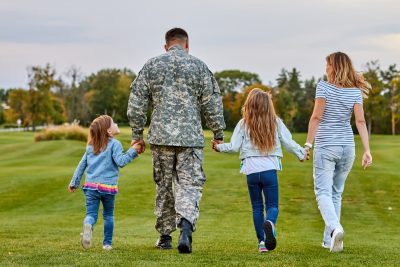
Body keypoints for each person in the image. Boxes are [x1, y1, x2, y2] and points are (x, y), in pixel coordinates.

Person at [127, 28, 225, 253]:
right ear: (187, 45)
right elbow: (212, 103)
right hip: (190, 138)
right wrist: (218, 133)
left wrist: (136, 135)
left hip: (161, 137)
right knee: (189, 183)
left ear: (166, 46)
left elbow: (137, 100)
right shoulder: (199, 67)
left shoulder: (152, 65)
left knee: (164, 185)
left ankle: (164, 236)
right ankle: (186, 227)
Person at [212, 88, 308, 253]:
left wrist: (219, 147)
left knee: (257, 207)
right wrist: (302, 153)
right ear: (268, 105)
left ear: (249, 104)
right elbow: (288, 142)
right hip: (270, 169)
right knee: (272, 206)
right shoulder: (275, 122)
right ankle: (269, 223)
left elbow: (234, 147)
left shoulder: (243, 123)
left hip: (251, 170)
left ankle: (262, 243)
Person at [304, 52, 372, 253]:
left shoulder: (323, 87)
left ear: (334, 66)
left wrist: (308, 144)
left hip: (326, 146)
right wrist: (367, 150)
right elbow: (360, 122)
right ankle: (329, 241)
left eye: (328, 65)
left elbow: (316, 118)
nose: (326, 68)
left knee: (323, 192)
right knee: (336, 193)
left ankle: (335, 228)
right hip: (347, 148)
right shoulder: (354, 92)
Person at [68, 115, 141, 250]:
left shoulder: (91, 146)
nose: (116, 123)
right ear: (109, 131)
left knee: (91, 215)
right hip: (108, 188)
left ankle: (88, 226)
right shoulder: (115, 144)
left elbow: (81, 165)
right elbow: (121, 161)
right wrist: (133, 151)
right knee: (108, 215)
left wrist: (74, 182)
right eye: (114, 123)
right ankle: (107, 244)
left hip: (91, 187)